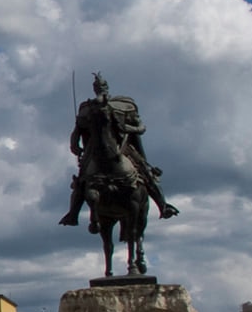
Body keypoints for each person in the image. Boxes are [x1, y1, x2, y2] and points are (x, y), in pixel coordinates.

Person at [60, 73, 177, 230]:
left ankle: (163, 205)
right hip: (94, 148)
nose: (99, 89)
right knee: (82, 179)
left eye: (101, 87)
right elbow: (78, 129)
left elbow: (141, 127)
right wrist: (74, 144)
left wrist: (126, 128)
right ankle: (73, 213)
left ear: (107, 88)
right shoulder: (87, 108)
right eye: (97, 87)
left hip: (122, 145)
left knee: (145, 171)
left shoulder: (124, 105)